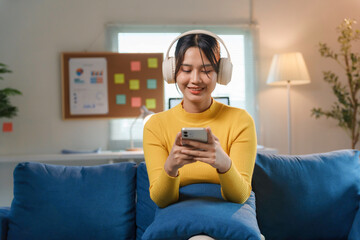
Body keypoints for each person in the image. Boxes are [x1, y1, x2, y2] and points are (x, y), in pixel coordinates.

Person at [143, 30, 257, 210]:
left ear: (221, 73)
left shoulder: (241, 121)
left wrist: (224, 164)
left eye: (206, 70)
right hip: (179, 221)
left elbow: (240, 196)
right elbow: (160, 200)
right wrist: (171, 167)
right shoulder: (155, 125)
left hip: (226, 222)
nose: (195, 80)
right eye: (186, 70)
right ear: (173, 72)